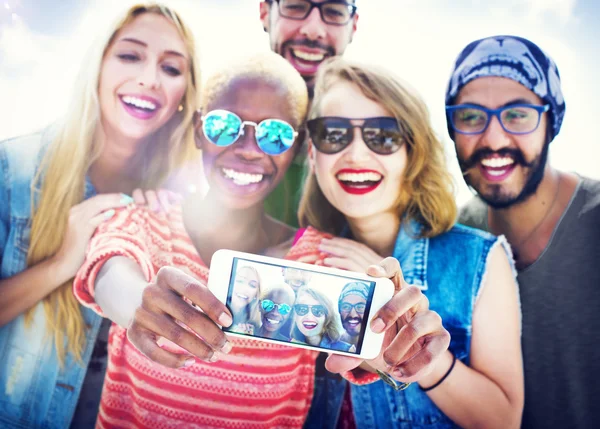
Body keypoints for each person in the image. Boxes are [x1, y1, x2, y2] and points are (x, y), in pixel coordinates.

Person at [74, 51, 449, 428]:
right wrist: (137, 302)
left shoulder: (317, 261)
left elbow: (369, 346)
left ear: (298, 147)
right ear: (197, 132)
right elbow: (108, 271)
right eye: (224, 126)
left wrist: (394, 349)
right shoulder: (145, 219)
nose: (249, 149)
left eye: (275, 135)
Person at [294, 58, 524, 428]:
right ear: (312, 154)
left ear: (411, 153)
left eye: (383, 136)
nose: (355, 154)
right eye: (333, 134)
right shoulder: (302, 263)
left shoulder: (478, 258)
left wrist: (413, 352)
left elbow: (503, 421)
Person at [0, 3, 200, 428]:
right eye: (130, 55)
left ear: (186, 91)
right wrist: (62, 264)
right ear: (97, 66)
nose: (148, 77)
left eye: (171, 67)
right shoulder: (12, 169)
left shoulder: (179, 202)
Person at [448, 35, 600, 429]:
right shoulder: (456, 237)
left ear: (552, 120)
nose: (494, 139)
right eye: (471, 116)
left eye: (517, 114)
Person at [260, 0, 359, 226]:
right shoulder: (218, 117)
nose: (313, 31)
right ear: (265, 13)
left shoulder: (374, 141)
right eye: (295, 6)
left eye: (334, 12)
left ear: (353, 26)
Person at [292, 286, 354, 352]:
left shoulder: (346, 350)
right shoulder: (285, 347)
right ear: (295, 316)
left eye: (318, 311)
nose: (309, 316)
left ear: (327, 318)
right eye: (302, 309)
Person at [228, 265, 262, 334]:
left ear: (256, 294)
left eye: (252, 285)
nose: (244, 288)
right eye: (240, 281)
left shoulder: (253, 329)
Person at [338, 281, 369, 347]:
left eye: (360, 307)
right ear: (339, 311)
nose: (353, 314)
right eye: (346, 306)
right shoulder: (331, 345)